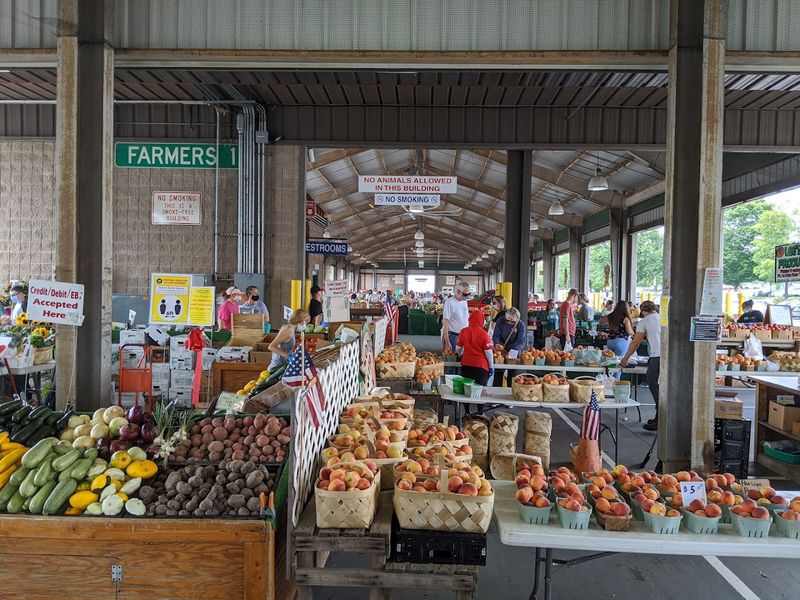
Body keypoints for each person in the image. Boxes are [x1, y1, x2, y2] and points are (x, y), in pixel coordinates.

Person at [620, 300, 661, 431]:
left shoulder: (644, 321)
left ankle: (660, 418)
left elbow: (636, 343)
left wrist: (625, 358)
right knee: (662, 388)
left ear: (644, 311)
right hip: (668, 357)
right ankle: (659, 416)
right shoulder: (663, 318)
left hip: (656, 357)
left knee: (655, 386)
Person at [456, 309, 494, 386]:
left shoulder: (463, 331)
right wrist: (491, 367)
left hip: (466, 364)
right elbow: (488, 353)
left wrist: (459, 356)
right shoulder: (484, 334)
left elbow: (458, 349)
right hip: (481, 365)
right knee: (479, 391)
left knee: (467, 389)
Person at [492, 307, 527, 387]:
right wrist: (497, 344)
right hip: (501, 348)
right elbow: (496, 335)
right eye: (507, 320)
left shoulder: (521, 325)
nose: (509, 323)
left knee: (512, 374)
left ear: (518, 319)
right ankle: (496, 391)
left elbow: (521, 341)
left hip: (514, 350)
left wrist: (514, 350)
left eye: (512, 321)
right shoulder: (501, 320)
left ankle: (511, 390)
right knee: (498, 372)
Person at [441, 281, 470, 352]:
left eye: (468, 294)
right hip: (453, 336)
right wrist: (447, 341)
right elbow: (446, 322)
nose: (467, 296)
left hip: (464, 335)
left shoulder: (464, 301)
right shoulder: (449, 302)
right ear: (458, 291)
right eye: (465, 294)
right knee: (454, 359)